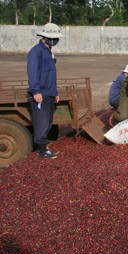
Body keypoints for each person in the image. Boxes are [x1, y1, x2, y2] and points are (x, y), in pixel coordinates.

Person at [27, 23, 64, 159]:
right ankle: (42, 150)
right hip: (40, 93)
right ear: (44, 37)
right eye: (52, 37)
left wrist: (55, 93)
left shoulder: (48, 51)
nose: (55, 40)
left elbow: (50, 76)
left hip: (49, 93)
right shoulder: (36, 51)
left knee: (48, 121)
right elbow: (33, 73)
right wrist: (35, 91)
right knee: (41, 122)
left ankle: (45, 148)